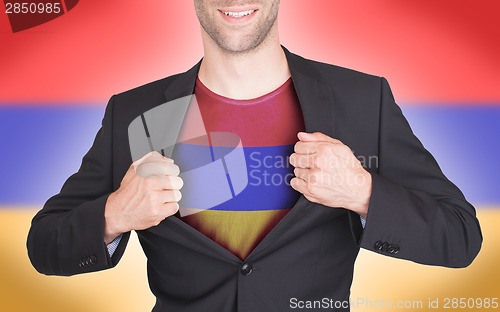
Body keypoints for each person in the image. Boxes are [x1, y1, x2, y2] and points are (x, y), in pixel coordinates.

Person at [27, 1, 482, 311]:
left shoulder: (362, 100)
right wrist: (114, 215)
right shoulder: (136, 113)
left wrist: (363, 192)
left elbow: (460, 237)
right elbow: (44, 246)